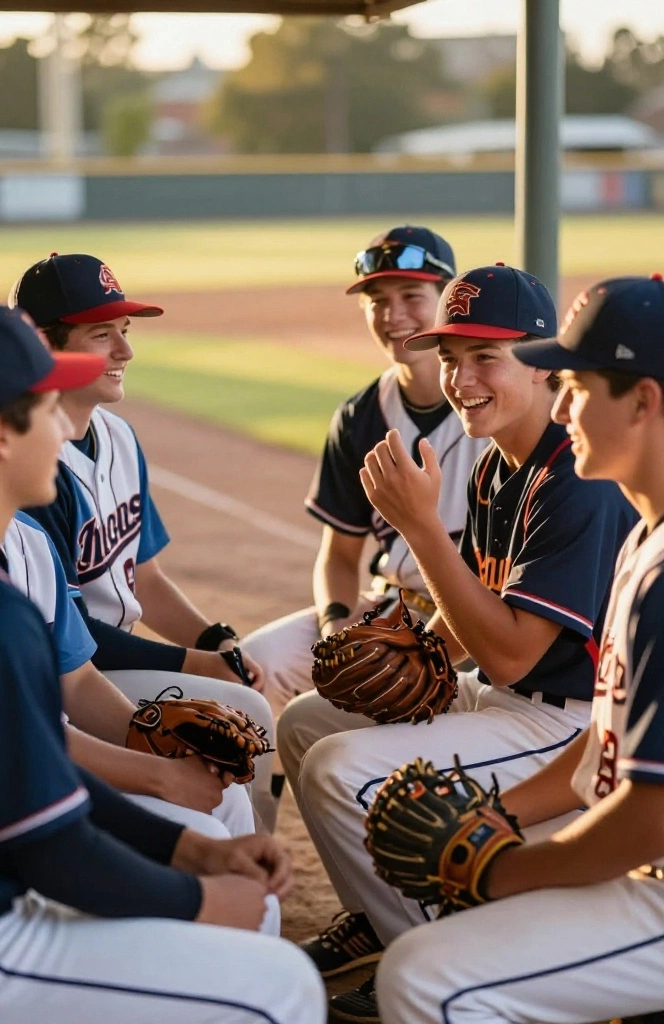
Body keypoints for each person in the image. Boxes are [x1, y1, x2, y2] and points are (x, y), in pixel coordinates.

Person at [276, 263, 638, 1021]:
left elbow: (510, 654)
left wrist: (413, 525)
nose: (460, 377)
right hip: (516, 702)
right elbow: (468, 617)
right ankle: (379, 923)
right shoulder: (495, 467)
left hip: (562, 718)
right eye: (449, 357)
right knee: (307, 722)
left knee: (344, 768)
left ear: (541, 369)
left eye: (485, 357)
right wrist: (419, 654)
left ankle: (433, 942)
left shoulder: (577, 480)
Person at [0, 302, 325, 1024]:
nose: (66, 427)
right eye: (47, 409)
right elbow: (50, 847)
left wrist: (191, 853)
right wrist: (200, 898)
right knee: (281, 989)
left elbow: (45, 788)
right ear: (2, 433)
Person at [377, 272, 664, 1024]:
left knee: (424, 976)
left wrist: (505, 869)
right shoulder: (643, 538)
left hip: (653, 873)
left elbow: (650, 817)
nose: (561, 406)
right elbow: (613, 734)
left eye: (576, 383)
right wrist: (496, 817)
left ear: (644, 401)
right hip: (639, 857)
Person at [8, 254, 276, 830]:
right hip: (86, 672)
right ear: (43, 346)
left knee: (246, 687)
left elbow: (146, 580)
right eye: (101, 334)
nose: (125, 352)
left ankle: (256, 860)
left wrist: (215, 640)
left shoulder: (118, 437)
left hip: (100, 667)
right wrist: (197, 662)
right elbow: (75, 644)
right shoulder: (30, 474)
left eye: (124, 333)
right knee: (244, 710)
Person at [241, 225, 487, 803]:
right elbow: (341, 551)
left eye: (411, 297)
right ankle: (254, 855)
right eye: (378, 301)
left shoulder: (490, 408)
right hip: (389, 608)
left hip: (473, 621)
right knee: (254, 670)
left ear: (447, 300)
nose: (392, 315)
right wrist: (336, 631)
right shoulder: (359, 416)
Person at [3, 510, 262, 841]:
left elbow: (77, 679)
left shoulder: (30, 538)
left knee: (224, 796)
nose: (59, 454)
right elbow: (16, 733)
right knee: (203, 834)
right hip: (12, 792)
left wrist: (149, 734)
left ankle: (259, 876)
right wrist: (160, 775)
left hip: (54, 752)